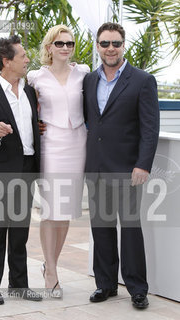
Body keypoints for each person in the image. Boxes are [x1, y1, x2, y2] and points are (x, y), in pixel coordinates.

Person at [83, 22, 159, 309]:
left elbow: (150, 128)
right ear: (98, 47)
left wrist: (143, 164)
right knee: (101, 227)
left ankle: (137, 288)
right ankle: (105, 284)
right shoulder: (90, 80)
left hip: (128, 169)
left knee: (129, 228)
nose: (110, 48)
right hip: (97, 167)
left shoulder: (142, 80)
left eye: (115, 43)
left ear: (123, 45)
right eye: (104, 43)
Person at [0, 35, 42, 305]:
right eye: (22, 56)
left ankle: (19, 285)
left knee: (20, 230)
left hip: (27, 167)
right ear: (7, 61)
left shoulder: (28, 90)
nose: (27, 60)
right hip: (1, 171)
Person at [27, 25, 89, 292]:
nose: (65, 48)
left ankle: (50, 263)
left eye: (70, 43)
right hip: (51, 145)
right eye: (60, 43)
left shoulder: (84, 72)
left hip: (78, 144)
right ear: (49, 47)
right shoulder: (35, 77)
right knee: (51, 210)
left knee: (66, 212)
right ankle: (51, 271)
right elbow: (23, 106)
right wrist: (34, 123)